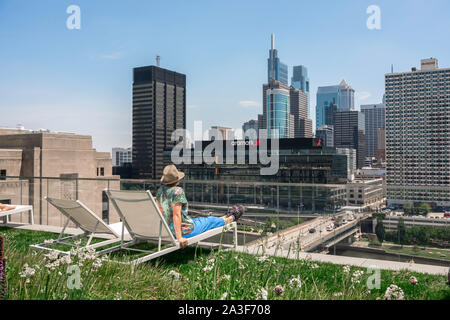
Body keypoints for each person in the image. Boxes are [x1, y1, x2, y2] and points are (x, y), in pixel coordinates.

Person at [155, 164, 244, 248]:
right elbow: (176, 215)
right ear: (177, 179)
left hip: (166, 231)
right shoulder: (178, 191)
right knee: (209, 221)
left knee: (202, 220)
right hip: (183, 231)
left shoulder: (160, 192)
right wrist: (179, 238)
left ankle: (225, 217)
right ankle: (231, 218)